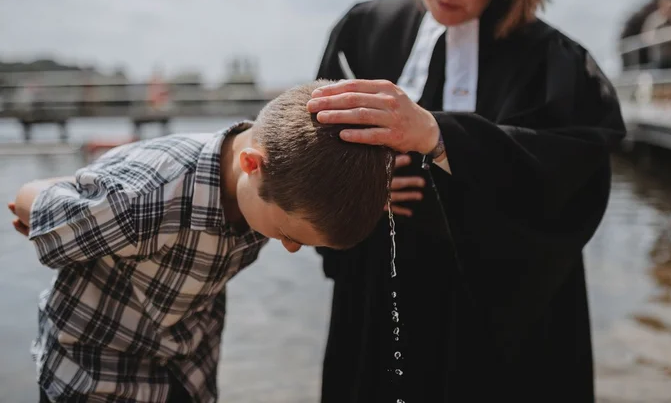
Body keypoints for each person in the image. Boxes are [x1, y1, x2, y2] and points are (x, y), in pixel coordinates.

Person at [307, 0, 626, 402]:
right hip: (379, 296)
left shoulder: (554, 63)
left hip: (499, 321)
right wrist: (358, 190)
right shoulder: (363, 32)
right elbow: (312, 147)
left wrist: (437, 136)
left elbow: (573, 181)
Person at [7, 80, 393, 403]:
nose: (290, 248)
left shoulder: (275, 180)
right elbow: (34, 205)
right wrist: (61, 202)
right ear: (251, 167)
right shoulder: (144, 199)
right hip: (97, 376)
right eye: (289, 236)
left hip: (185, 370)